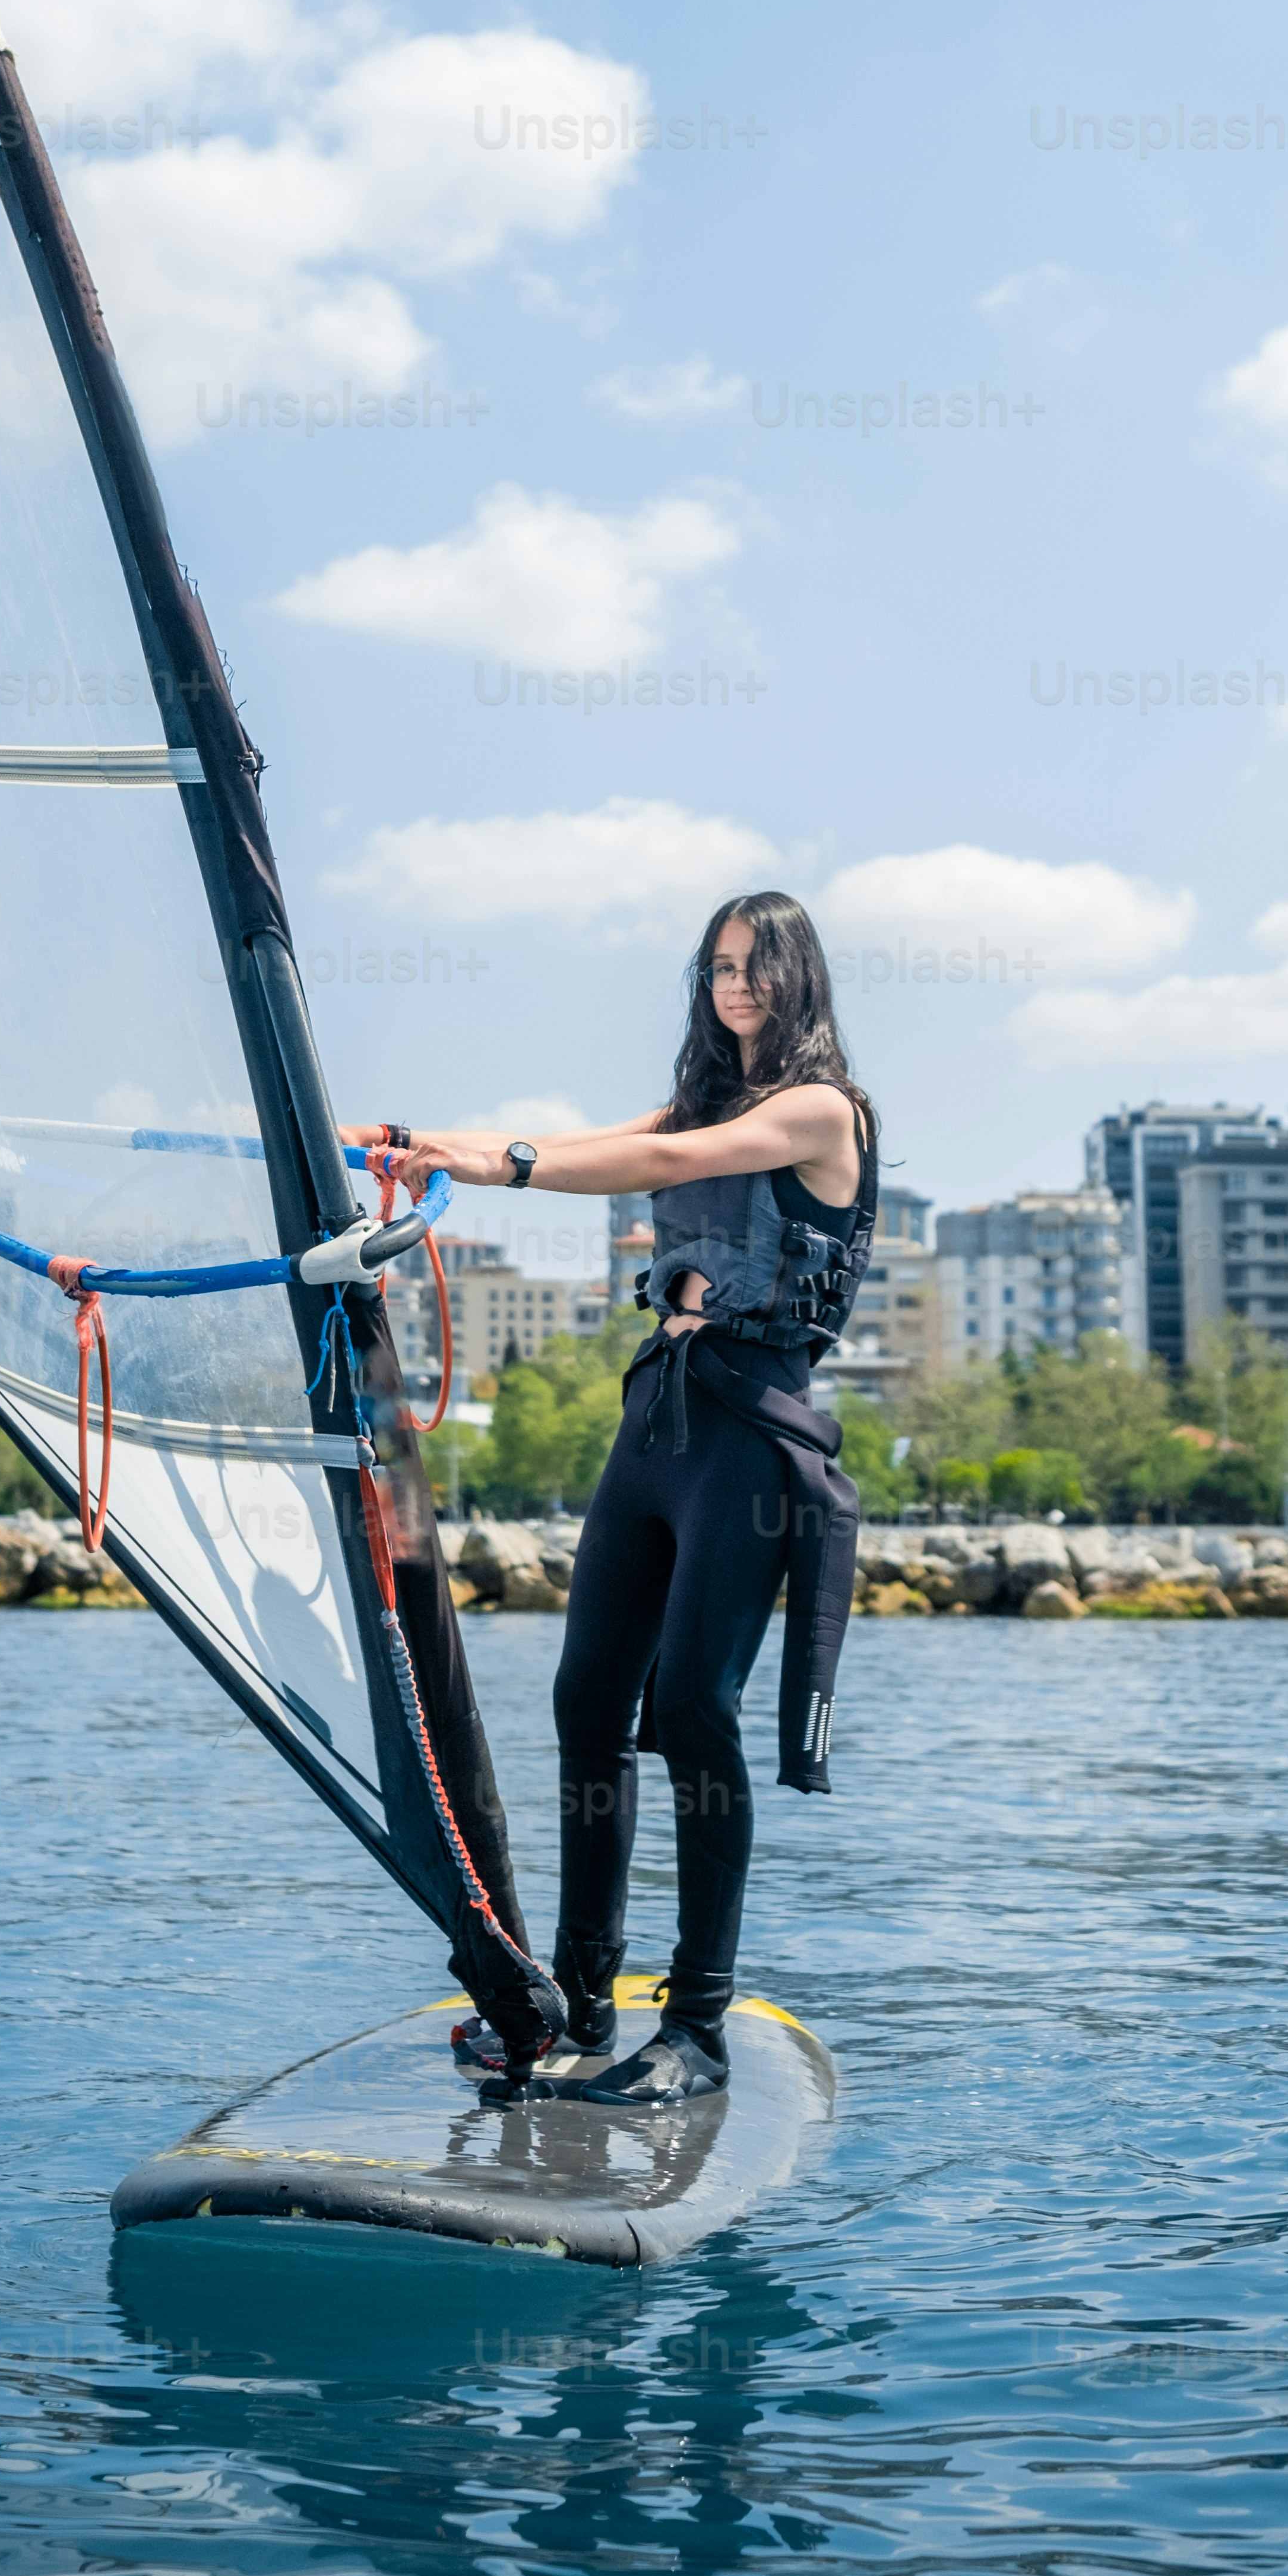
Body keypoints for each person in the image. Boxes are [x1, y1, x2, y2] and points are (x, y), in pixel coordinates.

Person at [372, 890, 874, 2107]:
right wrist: (407, 1142)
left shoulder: (821, 1110)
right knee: (587, 1702)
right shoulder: (696, 1100)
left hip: (748, 1437)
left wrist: (499, 1166)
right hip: (656, 1419)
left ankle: (695, 2030)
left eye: (756, 966)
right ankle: (582, 1997)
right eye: (718, 968)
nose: (735, 986)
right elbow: (593, 1141)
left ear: (799, 978)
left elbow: (658, 1165)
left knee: (693, 1711)